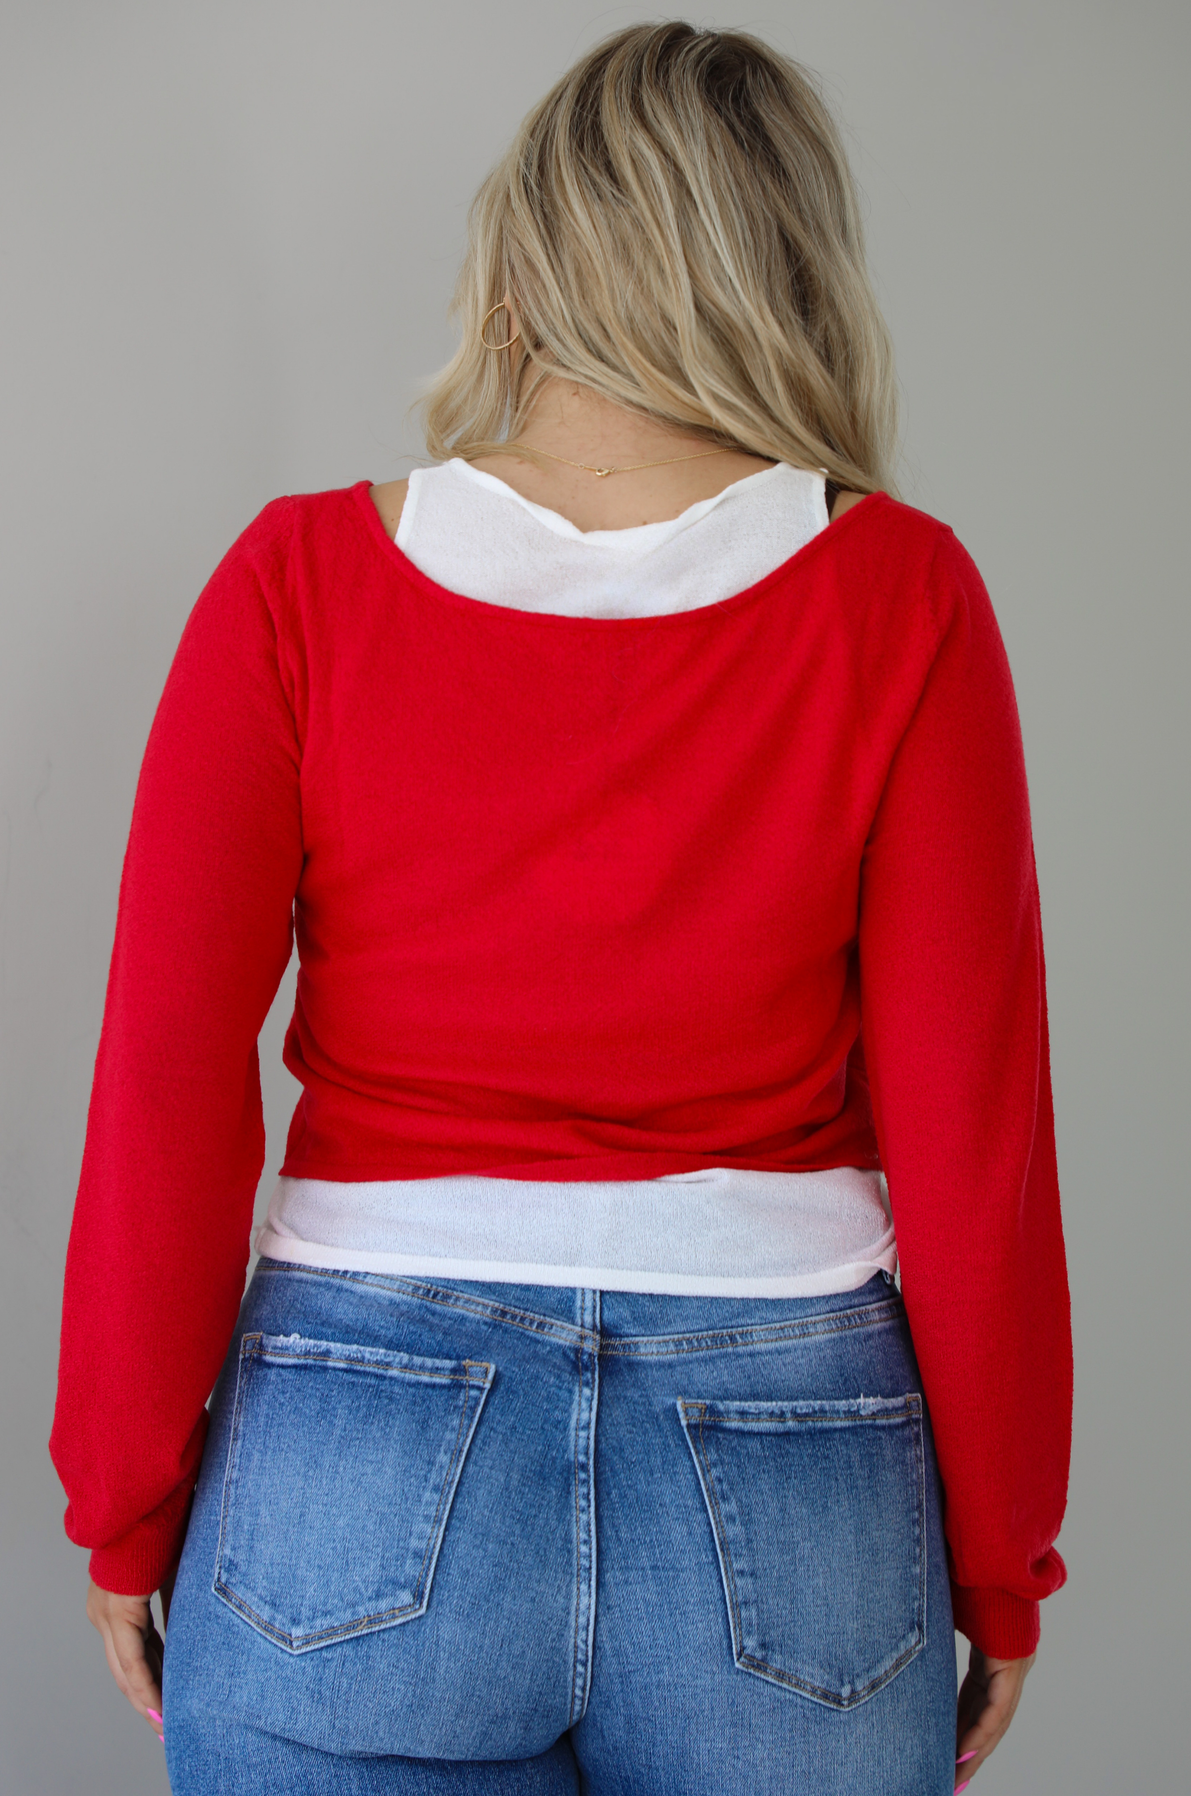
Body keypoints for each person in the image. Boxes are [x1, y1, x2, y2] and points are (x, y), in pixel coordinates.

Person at [50, 21, 1072, 1795]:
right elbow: (972, 1141)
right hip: (794, 1462)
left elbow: (163, 1077)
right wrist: (999, 1559)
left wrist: (124, 1501)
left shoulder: (297, 587)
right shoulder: (905, 601)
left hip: (354, 1459)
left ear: (517, 271)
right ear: (794, 279)